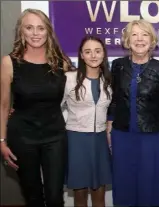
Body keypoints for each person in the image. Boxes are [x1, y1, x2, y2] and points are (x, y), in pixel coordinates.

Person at [0, 9, 73, 207]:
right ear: (21, 31)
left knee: (55, 198)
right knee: (33, 197)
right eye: (29, 27)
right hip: (22, 137)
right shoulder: (9, 63)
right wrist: (2, 140)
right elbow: (4, 105)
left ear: (48, 31)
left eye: (41, 28)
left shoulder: (62, 63)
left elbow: (79, 94)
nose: (35, 33)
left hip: (55, 137)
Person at [107, 19, 159, 206]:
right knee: (125, 183)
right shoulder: (117, 66)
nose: (139, 39)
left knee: (152, 185)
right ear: (127, 40)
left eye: (144, 34)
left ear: (152, 40)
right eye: (134, 35)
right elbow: (114, 100)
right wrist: (108, 130)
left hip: (153, 137)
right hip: (122, 135)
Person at [62, 36, 112, 207]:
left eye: (97, 51)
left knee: (99, 193)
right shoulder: (68, 79)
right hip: (76, 140)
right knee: (80, 194)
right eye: (88, 52)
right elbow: (52, 108)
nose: (93, 56)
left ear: (103, 54)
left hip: (100, 140)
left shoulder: (109, 80)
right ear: (81, 55)